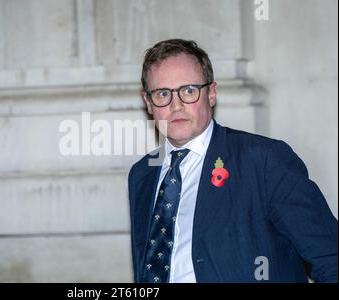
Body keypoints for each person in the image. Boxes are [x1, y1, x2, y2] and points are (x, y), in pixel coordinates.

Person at [128, 38, 338, 283]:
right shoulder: (142, 174)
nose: (176, 106)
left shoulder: (263, 161)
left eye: (188, 91)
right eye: (163, 93)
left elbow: (331, 260)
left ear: (212, 94)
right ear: (148, 103)